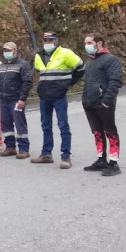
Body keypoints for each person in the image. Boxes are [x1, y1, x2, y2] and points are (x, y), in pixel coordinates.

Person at [31, 32, 85, 169]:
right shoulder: (38, 55)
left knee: (63, 126)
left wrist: (68, 84)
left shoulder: (65, 53)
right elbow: (41, 74)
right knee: (45, 126)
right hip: (44, 96)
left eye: (50, 40)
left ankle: (66, 156)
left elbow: (81, 68)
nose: (48, 42)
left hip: (59, 96)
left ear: (56, 40)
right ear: (42, 41)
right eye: (45, 40)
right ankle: (46, 154)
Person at [81, 33, 123, 176]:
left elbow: (115, 82)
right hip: (90, 103)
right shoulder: (90, 62)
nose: (86, 46)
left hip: (104, 104)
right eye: (86, 43)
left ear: (99, 43)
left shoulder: (111, 60)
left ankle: (113, 162)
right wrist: (85, 100)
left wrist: (106, 101)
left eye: (89, 42)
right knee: (97, 132)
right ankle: (101, 159)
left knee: (110, 131)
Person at [0, 42, 33, 159]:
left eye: (9, 50)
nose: (6, 53)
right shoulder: (1, 66)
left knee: (20, 124)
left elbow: (27, 82)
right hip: (3, 100)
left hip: (16, 100)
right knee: (6, 124)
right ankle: (10, 147)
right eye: (5, 50)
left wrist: (22, 99)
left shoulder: (23, 65)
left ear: (15, 51)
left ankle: (23, 149)